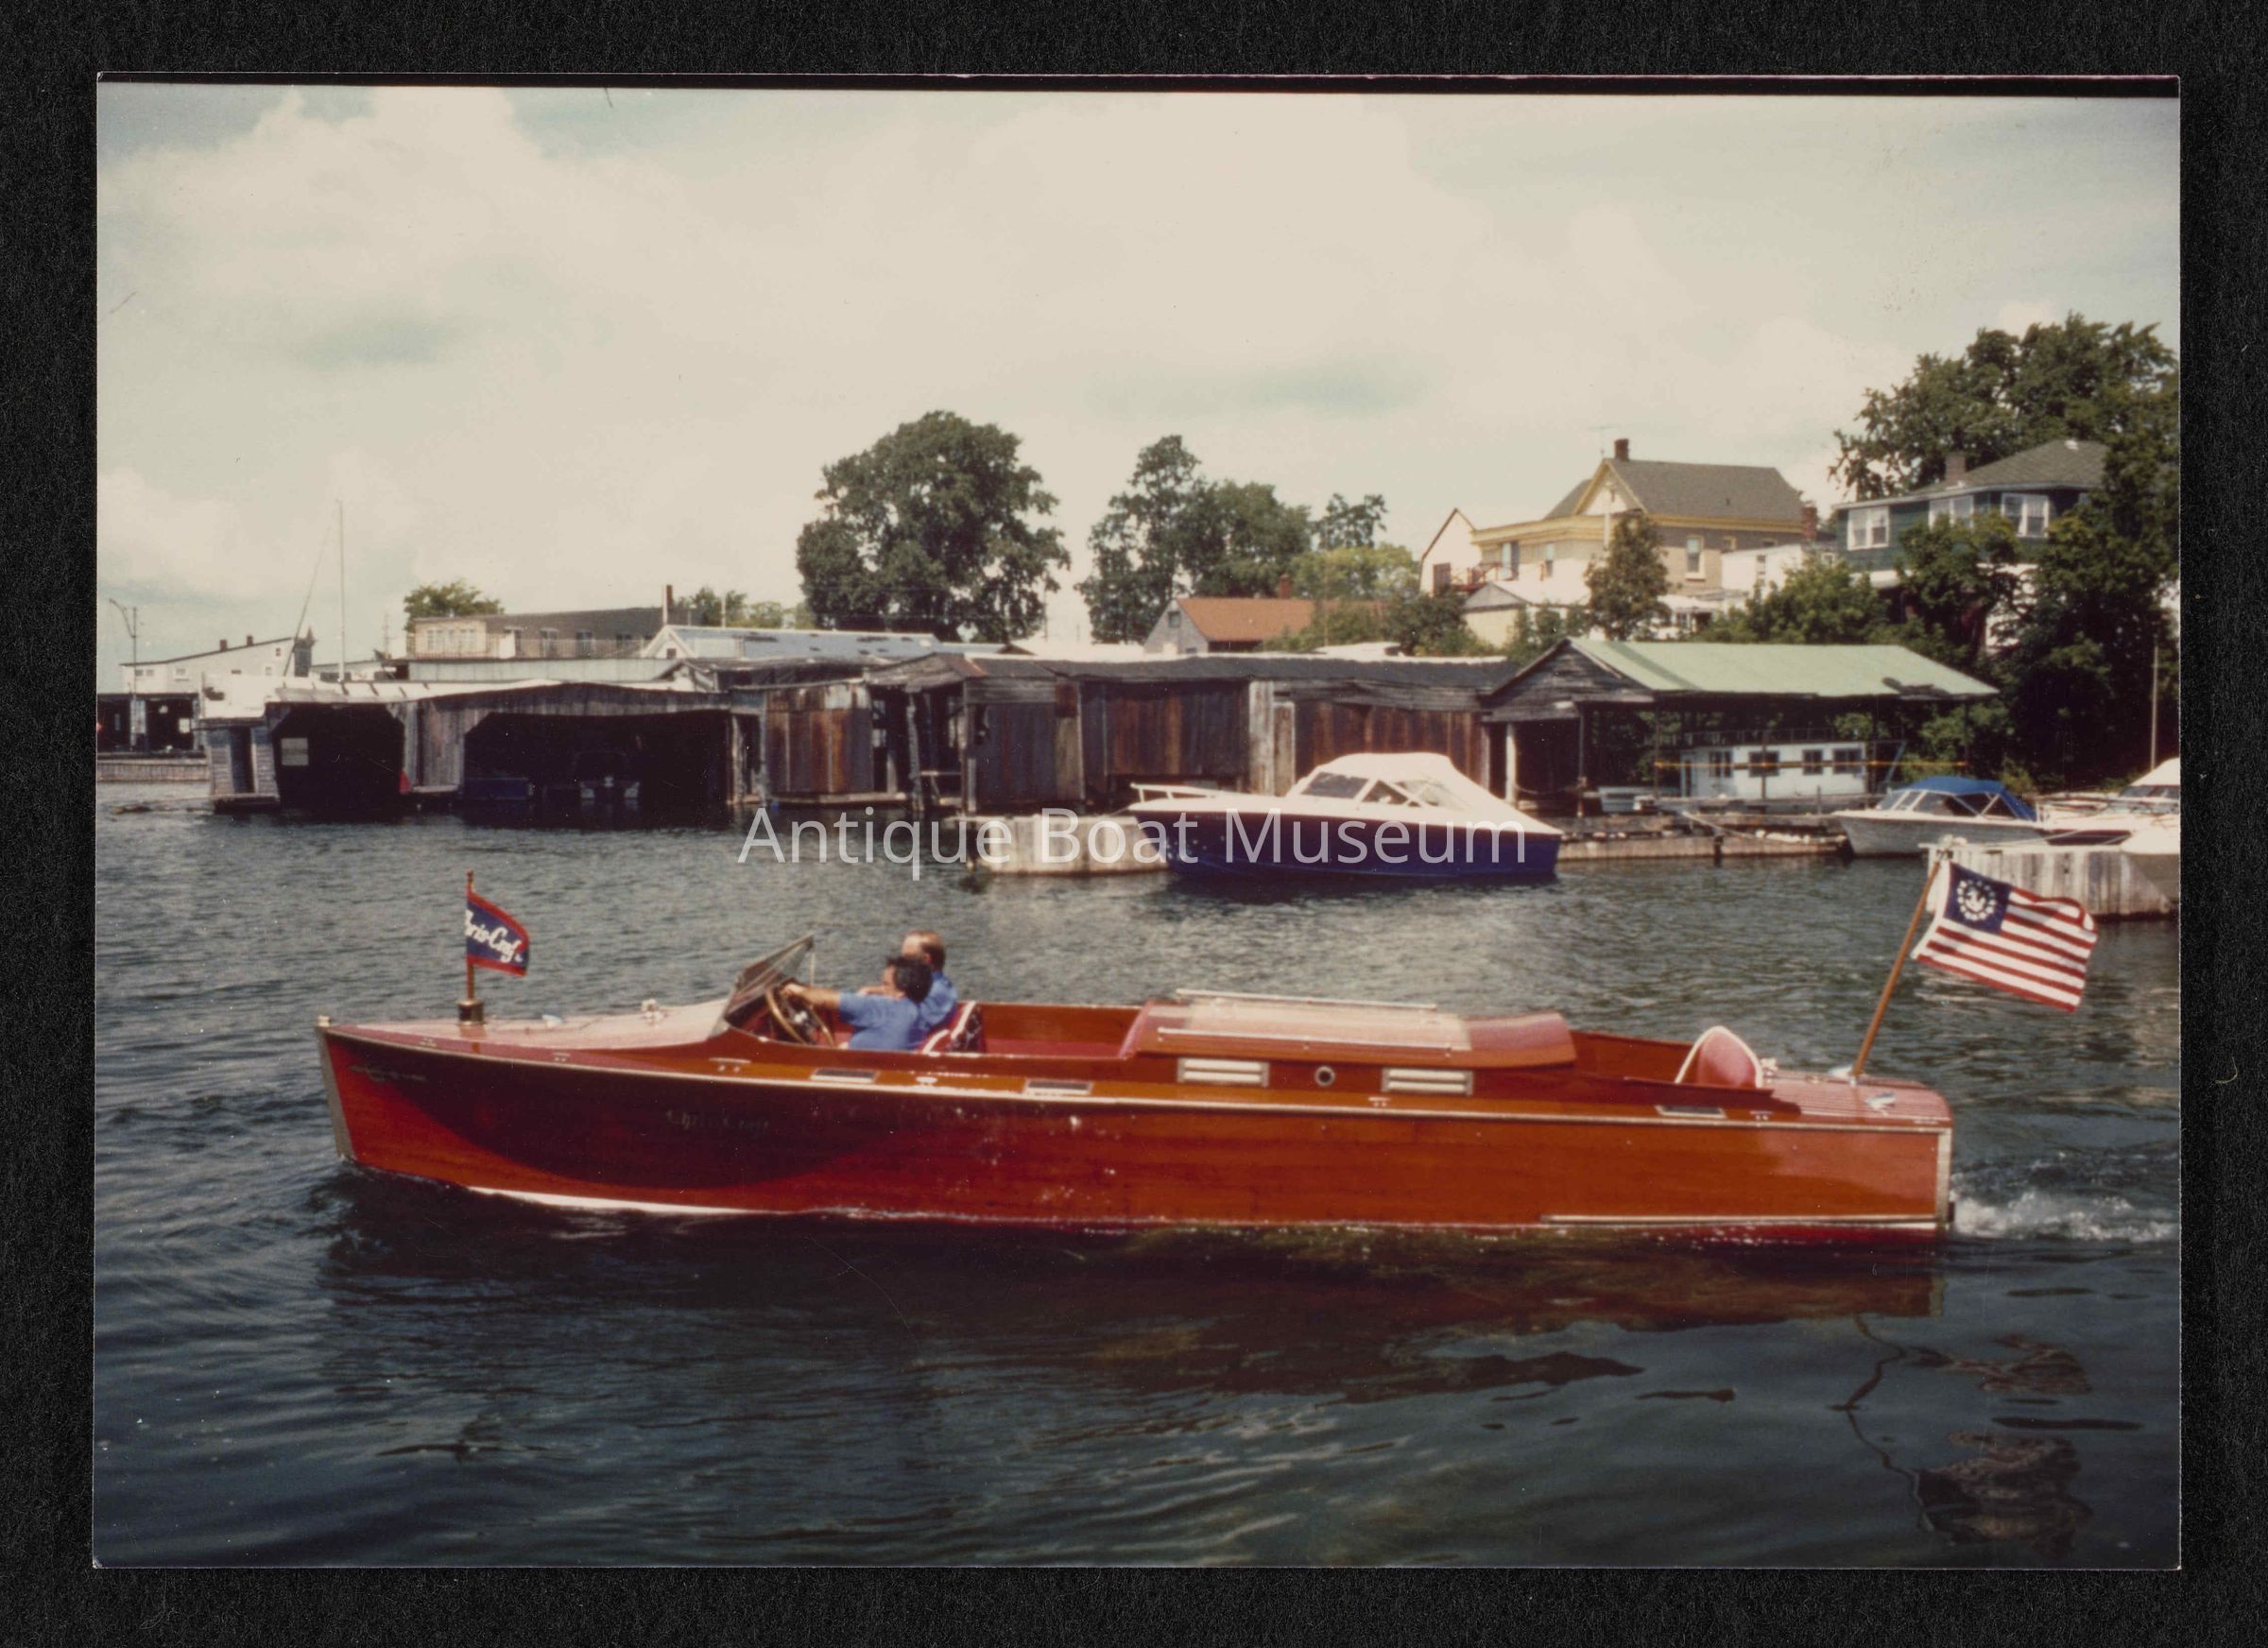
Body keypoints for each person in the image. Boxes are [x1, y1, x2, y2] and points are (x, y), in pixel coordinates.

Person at [784, 955, 933, 1053]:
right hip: (881, 1065)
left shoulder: (881, 1007)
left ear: (901, 991)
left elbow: (824, 999)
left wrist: (796, 990)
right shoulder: (918, 1010)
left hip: (858, 1068)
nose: (881, 989)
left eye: (886, 985)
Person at [900, 930, 957, 1035]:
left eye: (907, 957)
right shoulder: (924, 987)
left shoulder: (937, 992)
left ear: (926, 959)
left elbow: (909, 1026)